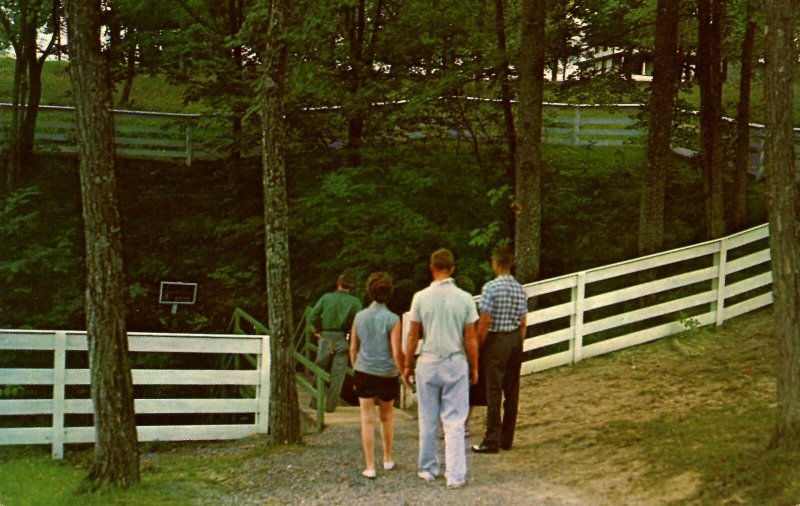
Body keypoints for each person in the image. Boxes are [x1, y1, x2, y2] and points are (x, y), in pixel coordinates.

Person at [403, 248, 479, 489]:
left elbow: (413, 335)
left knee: (427, 417)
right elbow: (471, 337)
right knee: (455, 419)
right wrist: (475, 366)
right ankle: (455, 474)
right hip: (455, 360)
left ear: (432, 268)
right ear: (453, 269)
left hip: (428, 361)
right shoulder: (465, 298)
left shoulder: (420, 297)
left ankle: (427, 468)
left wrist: (407, 364)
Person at [349, 272, 406, 479]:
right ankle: (388, 458)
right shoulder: (393, 319)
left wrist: (357, 366)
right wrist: (402, 371)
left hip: (364, 370)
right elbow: (396, 350)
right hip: (386, 372)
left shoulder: (359, 316)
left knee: (366, 419)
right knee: (387, 417)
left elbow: (353, 347)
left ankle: (370, 465)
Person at [471, 245, 528, 454]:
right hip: (514, 338)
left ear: (496, 264)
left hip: (496, 339)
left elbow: (485, 321)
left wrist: (477, 345)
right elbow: (523, 322)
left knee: (493, 390)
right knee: (512, 391)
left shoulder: (490, 288)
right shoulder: (520, 289)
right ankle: (507, 438)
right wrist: (518, 342)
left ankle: (492, 438)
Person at [310, 272, 362, 413]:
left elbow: (313, 314)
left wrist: (317, 329)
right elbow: (358, 323)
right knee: (338, 374)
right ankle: (331, 406)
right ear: (351, 286)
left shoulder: (327, 298)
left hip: (326, 336)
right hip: (342, 338)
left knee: (319, 368)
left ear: (338, 283)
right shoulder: (355, 302)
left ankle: (315, 401)